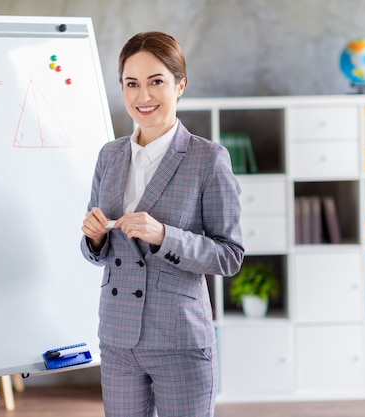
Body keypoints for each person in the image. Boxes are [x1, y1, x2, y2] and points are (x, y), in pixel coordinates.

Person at [80, 31, 245, 417]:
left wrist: (163, 236)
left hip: (180, 339)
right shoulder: (110, 156)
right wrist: (94, 239)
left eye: (156, 82)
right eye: (132, 84)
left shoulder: (208, 159)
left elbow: (230, 256)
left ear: (179, 85)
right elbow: (96, 252)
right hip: (119, 339)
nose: (143, 96)